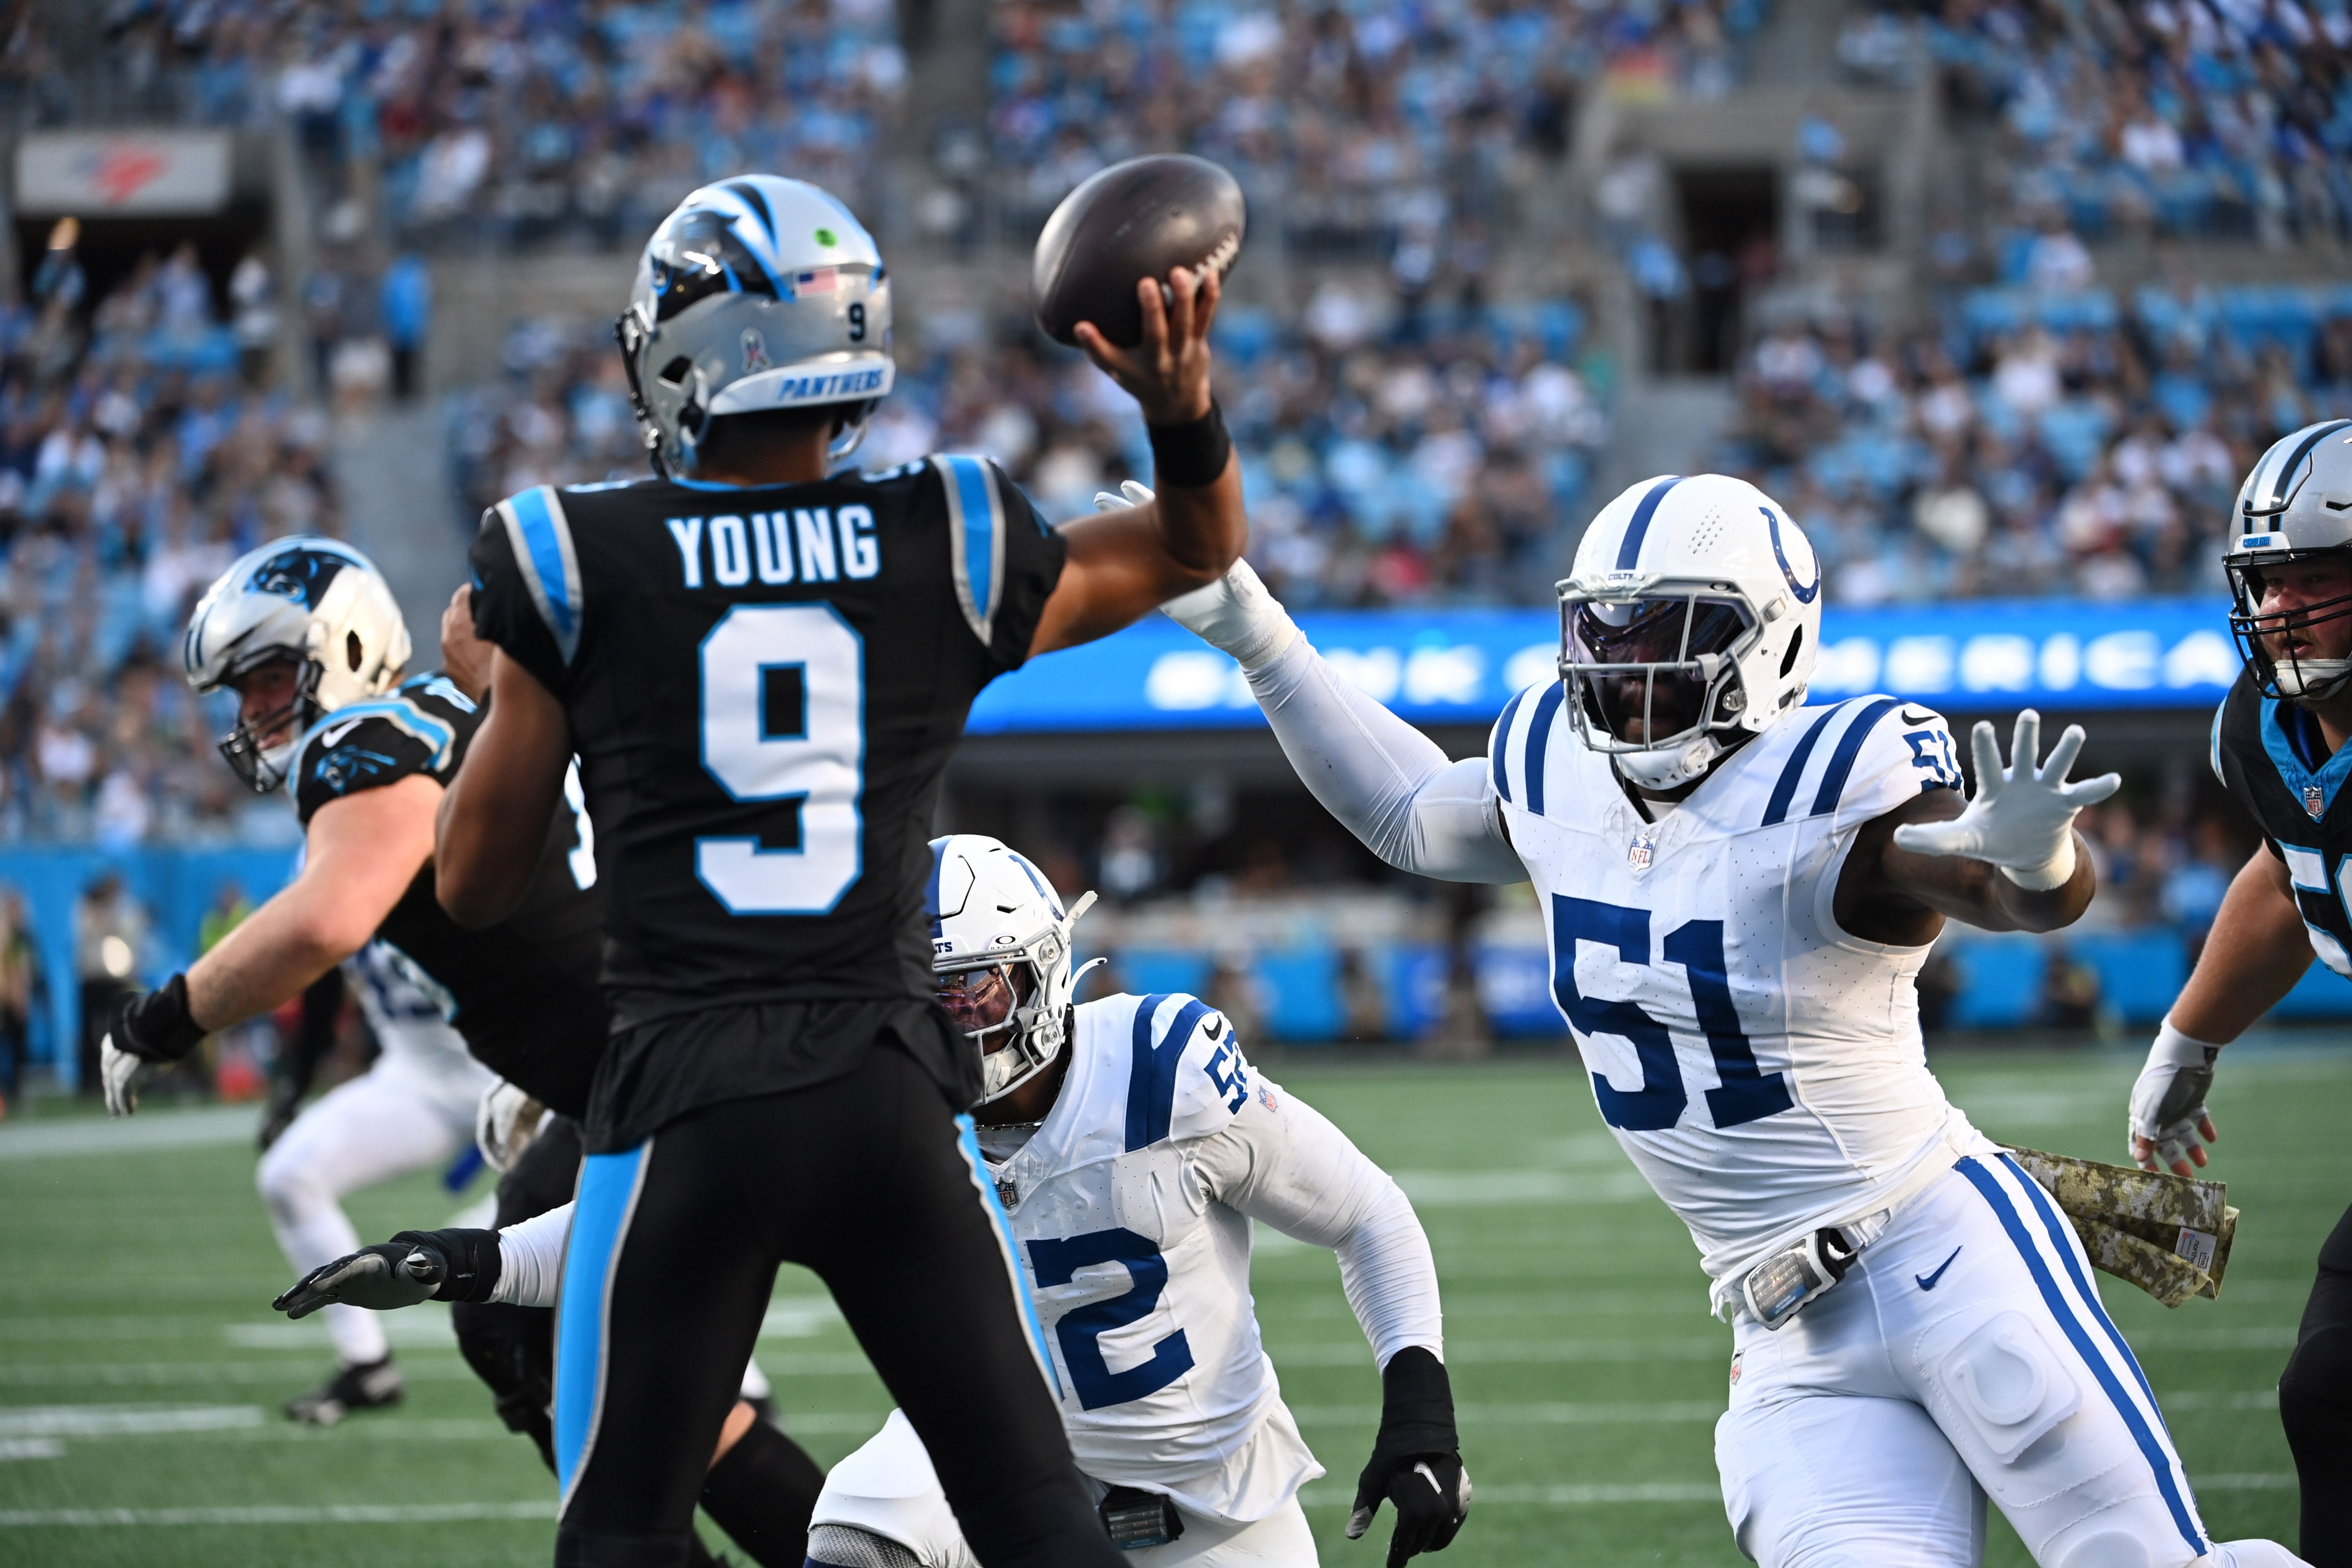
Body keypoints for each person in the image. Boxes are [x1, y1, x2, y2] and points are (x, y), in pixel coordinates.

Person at [1158, 472, 2305, 1568]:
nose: (1624, 665)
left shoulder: (1837, 777)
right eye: (1606, 632)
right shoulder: (1556, 769)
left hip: (1946, 1253)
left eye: (1668, 633)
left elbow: (2000, 889)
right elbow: (1411, 813)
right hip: (1784, 1331)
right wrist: (1257, 630)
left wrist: (2037, 857)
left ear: (1770, 643)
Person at [436, 174, 1247, 1568]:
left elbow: (472, 881)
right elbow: (1192, 547)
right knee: (1032, 1514)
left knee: (618, 1525)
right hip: (883, 1089)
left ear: (683, 353)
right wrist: (1176, 410)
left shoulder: (573, 557)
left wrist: (515, 686)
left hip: (685, 1101)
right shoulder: (941, 530)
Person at [276, 835, 1469, 1568]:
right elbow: (657, 1225)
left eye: (979, 989)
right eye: (925, 991)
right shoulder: (881, 1092)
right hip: (997, 1453)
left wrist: (1419, 1405)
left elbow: (1369, 1213)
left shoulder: (1160, 1069)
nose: (954, 1020)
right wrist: (474, 1262)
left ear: (1047, 970)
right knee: (848, 1538)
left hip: (1217, 1498)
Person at [97, 539, 811, 1562]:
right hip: (648, 1066)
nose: (251, 711)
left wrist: (163, 1016)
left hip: (669, 1079)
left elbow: (325, 921)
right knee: (523, 1334)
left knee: (624, 1379)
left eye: (264, 677)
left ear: (338, 649)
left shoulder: (366, 741)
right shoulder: (456, 707)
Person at [2126, 419, 2352, 1567]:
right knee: (2332, 1393)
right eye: (2267, 582)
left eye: (2315, 579)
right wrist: (2188, 1041)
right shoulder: (2263, 729)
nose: (2280, 611)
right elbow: (2288, 866)